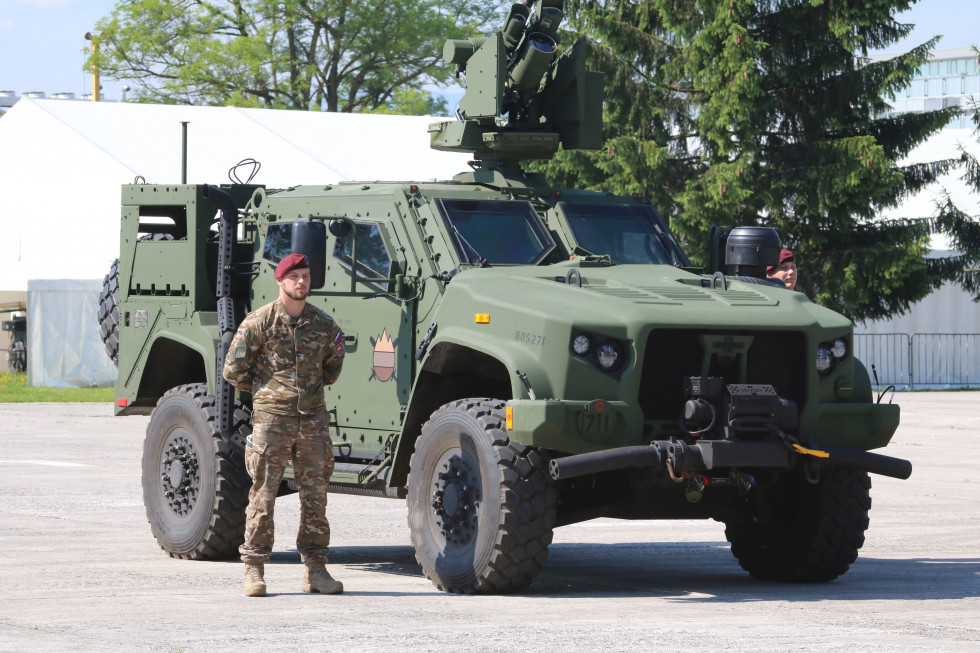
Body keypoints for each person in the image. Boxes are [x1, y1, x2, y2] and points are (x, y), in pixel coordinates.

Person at [223, 252, 346, 597]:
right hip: (271, 422)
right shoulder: (259, 323)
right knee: (263, 495)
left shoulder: (323, 324)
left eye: (306, 276)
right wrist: (268, 392)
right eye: (295, 277)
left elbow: (333, 367)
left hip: (312, 422)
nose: (301, 282)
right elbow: (233, 370)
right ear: (280, 281)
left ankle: (316, 571)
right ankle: (254, 570)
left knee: (315, 498)